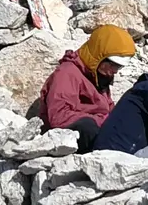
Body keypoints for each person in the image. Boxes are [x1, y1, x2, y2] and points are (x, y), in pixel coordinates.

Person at [40, 24, 137, 152]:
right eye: (113, 65)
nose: (115, 71)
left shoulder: (98, 76)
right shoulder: (67, 73)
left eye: (118, 67)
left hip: (98, 129)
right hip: (69, 137)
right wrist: (102, 121)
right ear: (99, 57)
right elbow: (58, 117)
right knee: (87, 126)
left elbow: (108, 108)